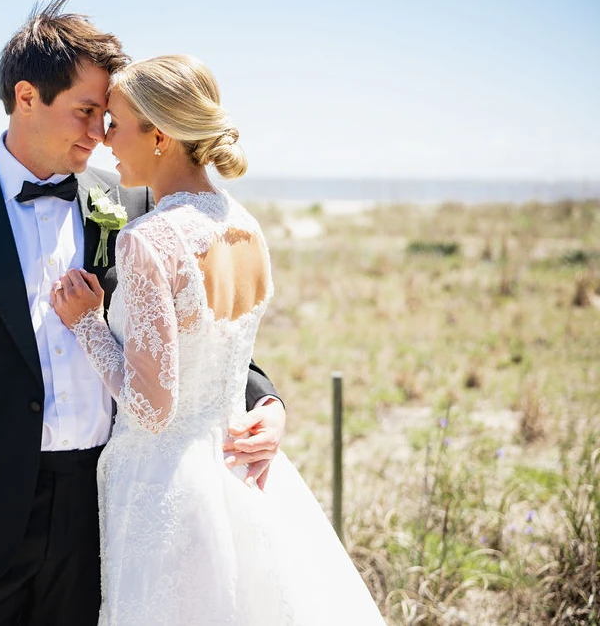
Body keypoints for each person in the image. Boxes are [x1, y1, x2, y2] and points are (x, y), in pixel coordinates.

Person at [0, 0, 287, 626]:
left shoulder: (131, 202)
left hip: (108, 507)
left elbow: (195, 325)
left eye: (108, 115)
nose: (101, 132)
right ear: (25, 97)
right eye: (87, 111)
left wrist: (268, 401)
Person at [51, 54, 386, 624]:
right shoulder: (244, 225)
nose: (106, 140)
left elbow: (152, 409)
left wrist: (87, 323)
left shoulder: (149, 241)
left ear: (158, 136)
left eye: (116, 124)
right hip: (238, 468)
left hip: (165, 484)